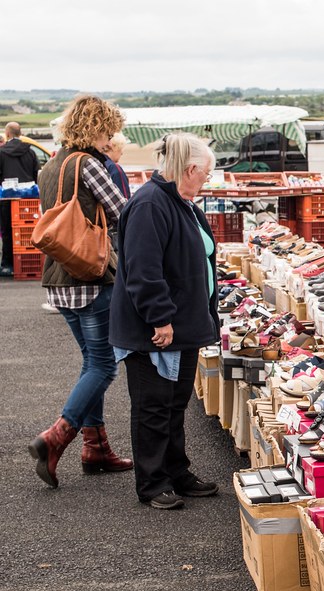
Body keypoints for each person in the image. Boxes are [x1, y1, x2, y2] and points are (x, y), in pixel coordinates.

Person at [109, 133, 221, 510]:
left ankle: (177, 471)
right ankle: (153, 482)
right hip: (156, 330)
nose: (206, 181)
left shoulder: (181, 201)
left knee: (174, 404)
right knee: (153, 406)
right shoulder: (150, 205)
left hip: (182, 325)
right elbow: (143, 270)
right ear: (189, 169)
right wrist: (160, 318)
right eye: (204, 175)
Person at [28, 95, 133, 488]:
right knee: (104, 365)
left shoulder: (50, 166)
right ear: (94, 128)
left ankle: (96, 448)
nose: (109, 138)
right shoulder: (88, 164)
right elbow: (124, 211)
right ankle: (57, 437)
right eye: (107, 130)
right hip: (90, 276)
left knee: (92, 361)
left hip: (59, 277)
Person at [0, 121, 41, 276]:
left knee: (7, 230)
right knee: (27, 230)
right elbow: (36, 173)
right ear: (20, 133)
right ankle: (29, 261)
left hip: (7, 199)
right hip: (27, 200)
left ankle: (8, 264)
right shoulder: (30, 152)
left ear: (8, 134)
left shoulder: (2, 153)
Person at [104, 132, 131, 199]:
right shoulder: (114, 168)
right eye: (120, 148)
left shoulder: (96, 163)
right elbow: (124, 199)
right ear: (114, 147)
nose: (122, 153)